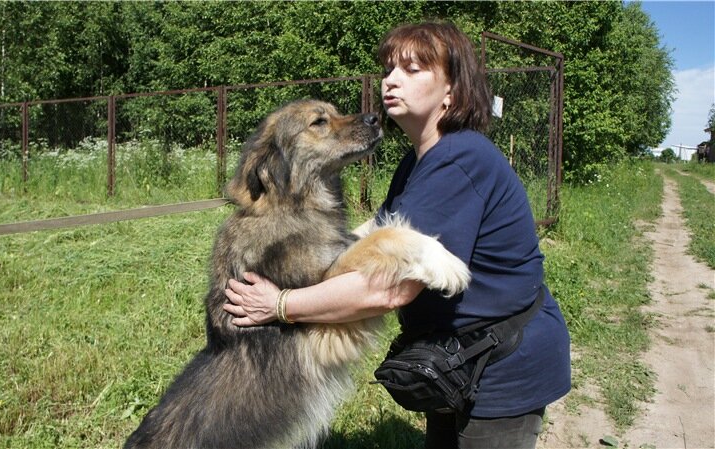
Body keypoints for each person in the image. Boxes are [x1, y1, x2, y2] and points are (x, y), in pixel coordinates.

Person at [223, 21, 571, 449]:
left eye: (412, 69)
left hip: (502, 368)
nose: (391, 79)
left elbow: (390, 291)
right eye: (389, 68)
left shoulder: (459, 159)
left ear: (452, 89)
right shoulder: (419, 160)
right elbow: (372, 234)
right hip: (458, 358)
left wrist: (280, 304)